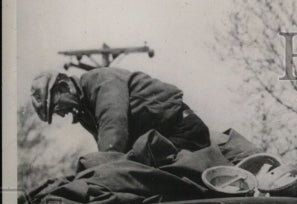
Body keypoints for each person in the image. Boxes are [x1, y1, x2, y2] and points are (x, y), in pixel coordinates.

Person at [30, 66, 210, 154]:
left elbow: (114, 137)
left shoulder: (102, 82)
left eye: (56, 107)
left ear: (63, 87)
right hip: (159, 143)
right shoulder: (85, 113)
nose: (61, 114)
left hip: (184, 132)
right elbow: (110, 153)